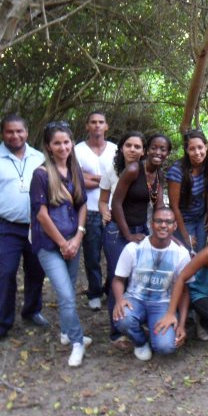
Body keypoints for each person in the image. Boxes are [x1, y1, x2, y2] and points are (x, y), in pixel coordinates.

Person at [0, 114, 48, 349]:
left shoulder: (40, 158)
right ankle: (0, 325)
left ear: (27, 131)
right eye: (9, 132)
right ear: (2, 133)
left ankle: (31, 311)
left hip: (37, 226)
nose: (15, 136)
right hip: (6, 228)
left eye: (19, 131)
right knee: (5, 274)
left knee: (36, 271)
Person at [29, 122, 90, 367]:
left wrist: (78, 237)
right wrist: (64, 243)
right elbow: (42, 215)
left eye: (66, 142)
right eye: (57, 143)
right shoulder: (41, 174)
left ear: (72, 143)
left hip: (73, 242)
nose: (63, 147)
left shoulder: (75, 170)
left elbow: (82, 204)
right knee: (65, 295)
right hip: (49, 244)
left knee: (70, 289)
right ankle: (77, 341)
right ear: (48, 146)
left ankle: (66, 332)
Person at [104, 133, 169, 346]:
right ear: (146, 150)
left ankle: (134, 320)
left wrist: (166, 233)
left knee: (137, 277)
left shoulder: (158, 174)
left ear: (167, 153)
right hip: (119, 231)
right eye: (154, 148)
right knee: (118, 276)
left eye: (163, 149)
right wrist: (128, 235)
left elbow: (159, 206)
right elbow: (116, 204)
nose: (158, 153)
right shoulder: (133, 170)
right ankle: (117, 333)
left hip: (141, 228)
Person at [112, 207, 191, 361]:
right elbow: (118, 279)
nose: (163, 225)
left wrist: (181, 324)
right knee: (122, 318)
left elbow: (184, 292)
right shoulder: (134, 248)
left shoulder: (181, 254)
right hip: (135, 299)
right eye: (159, 221)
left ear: (175, 226)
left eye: (168, 222)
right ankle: (140, 342)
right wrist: (120, 300)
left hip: (163, 304)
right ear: (151, 224)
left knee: (166, 346)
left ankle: (153, 331)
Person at [74, 111, 117, 311]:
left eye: (101, 122)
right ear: (87, 126)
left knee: (112, 254)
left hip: (111, 210)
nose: (97, 125)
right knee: (92, 255)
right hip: (88, 209)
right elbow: (75, 179)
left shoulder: (115, 150)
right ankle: (94, 291)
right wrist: (103, 180)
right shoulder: (78, 150)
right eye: (93, 122)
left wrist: (91, 178)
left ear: (106, 126)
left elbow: (119, 177)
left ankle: (111, 288)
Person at [167, 129, 208, 255]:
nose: (197, 152)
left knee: (200, 253)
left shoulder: (206, 165)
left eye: (200, 147)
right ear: (186, 150)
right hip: (184, 220)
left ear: (206, 147)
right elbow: (174, 206)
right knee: (189, 253)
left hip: (201, 218)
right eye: (192, 149)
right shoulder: (177, 171)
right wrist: (185, 235)